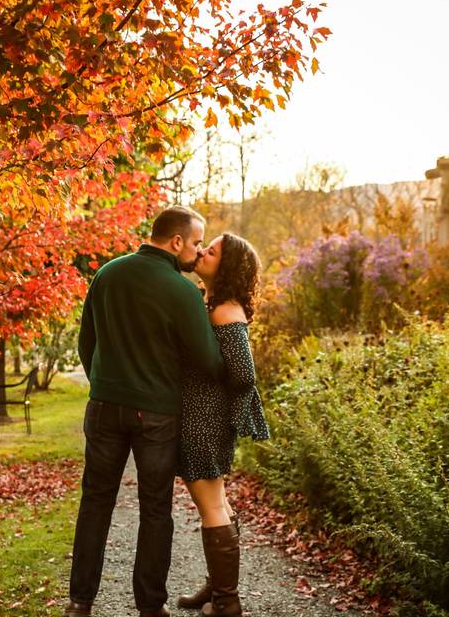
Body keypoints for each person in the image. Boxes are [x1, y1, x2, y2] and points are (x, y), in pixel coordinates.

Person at [64, 205, 225, 617]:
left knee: (95, 503)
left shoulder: (107, 274)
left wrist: (105, 384)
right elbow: (209, 361)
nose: (197, 251)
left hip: (103, 408)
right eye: (194, 243)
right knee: (156, 509)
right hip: (155, 415)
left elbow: (87, 344)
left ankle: (80, 603)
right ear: (176, 242)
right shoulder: (182, 291)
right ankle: (150, 607)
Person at [175, 232, 270, 617]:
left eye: (210, 251)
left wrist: (220, 406)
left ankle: (227, 603)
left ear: (226, 266)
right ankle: (217, 590)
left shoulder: (225, 310)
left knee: (211, 505)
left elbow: (244, 375)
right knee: (219, 503)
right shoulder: (211, 302)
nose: (201, 252)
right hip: (203, 415)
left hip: (204, 418)